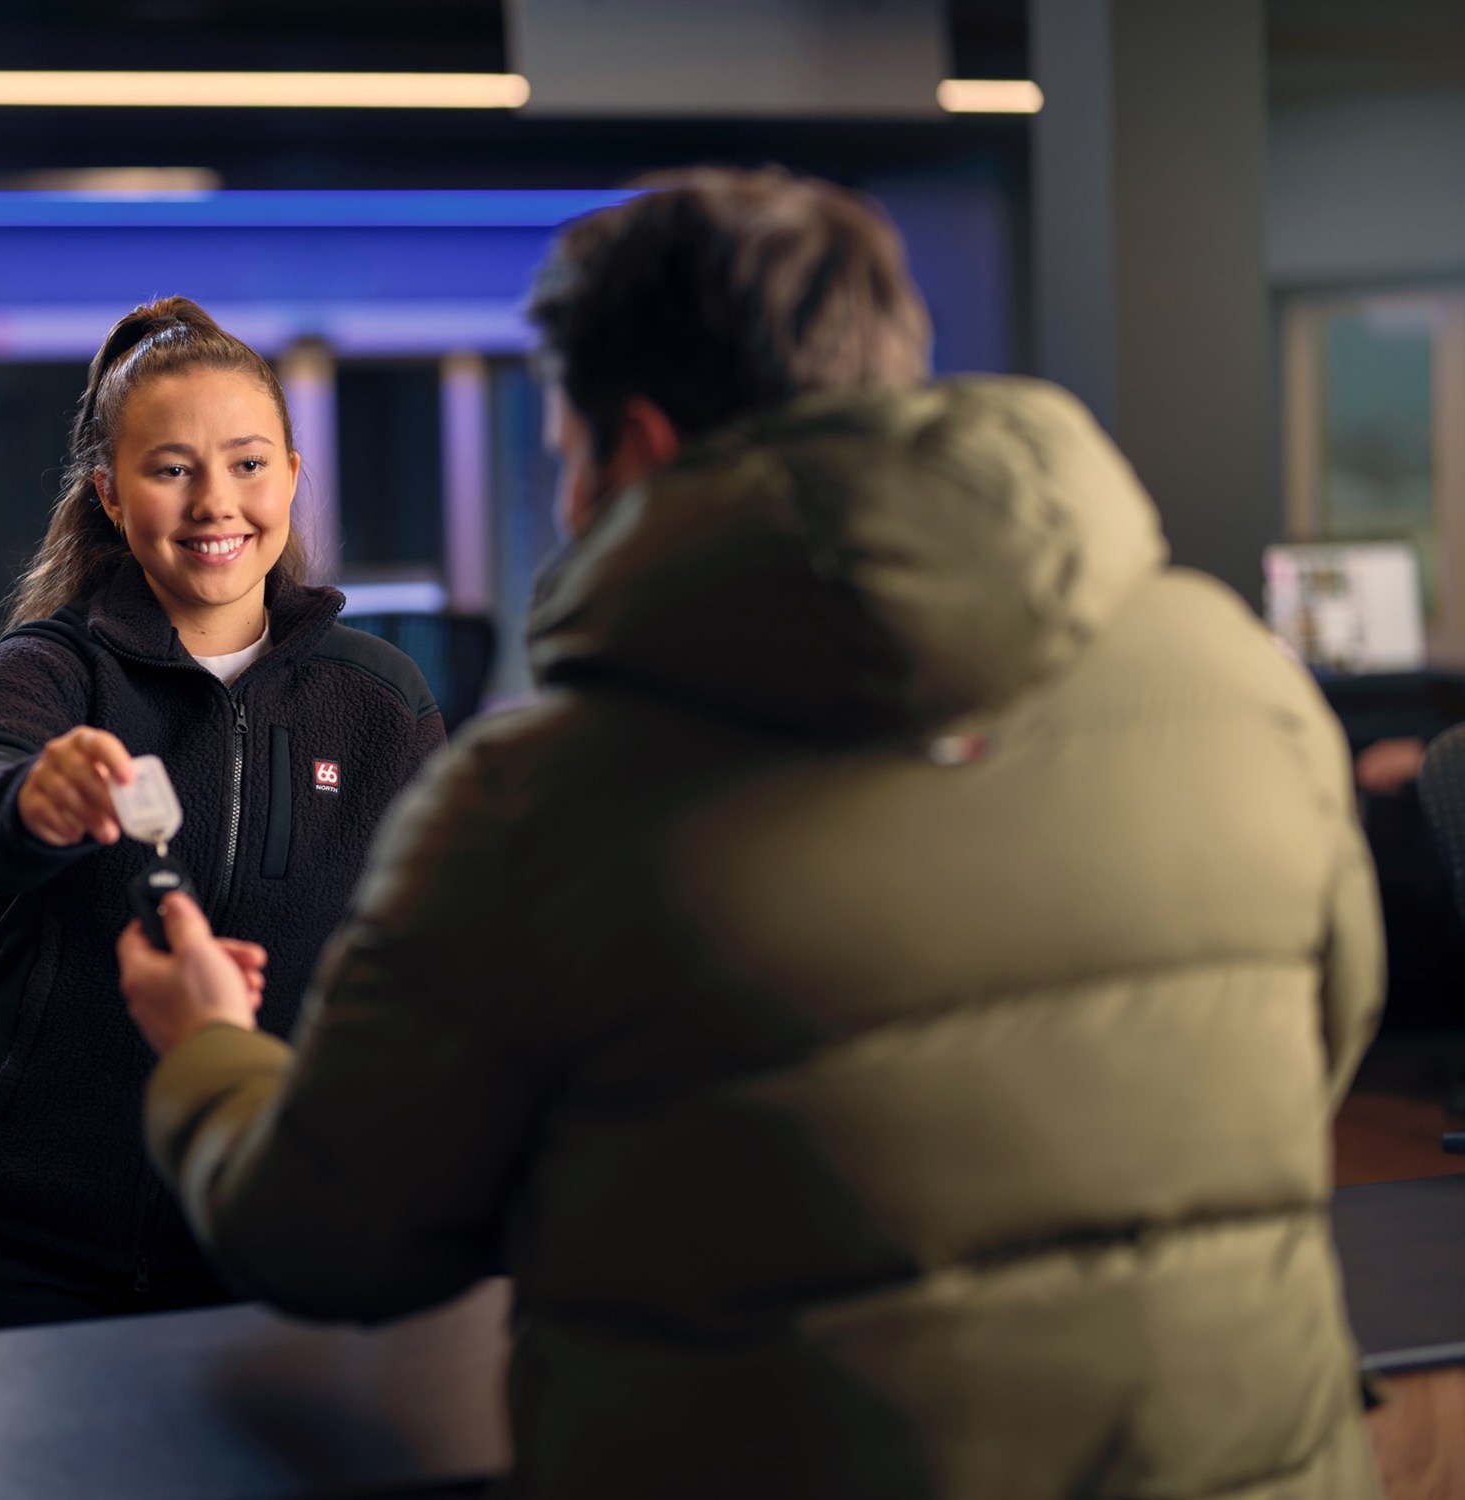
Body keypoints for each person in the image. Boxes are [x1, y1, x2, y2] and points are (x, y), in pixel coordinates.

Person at [118, 171, 1385, 1498]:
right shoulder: (1240, 679)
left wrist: (206, 1046)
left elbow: (330, 1233)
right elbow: (1328, 1038)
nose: (561, 494)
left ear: (639, 449)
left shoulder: (540, 800)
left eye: (560, 453)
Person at [0, 297, 446, 1333]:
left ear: (291, 475)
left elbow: (431, 948)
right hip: (22, 1233)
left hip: (262, 1220)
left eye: (247, 464)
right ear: (110, 496)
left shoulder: (379, 696)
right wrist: (34, 795)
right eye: (170, 470)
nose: (215, 503)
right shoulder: (46, 670)